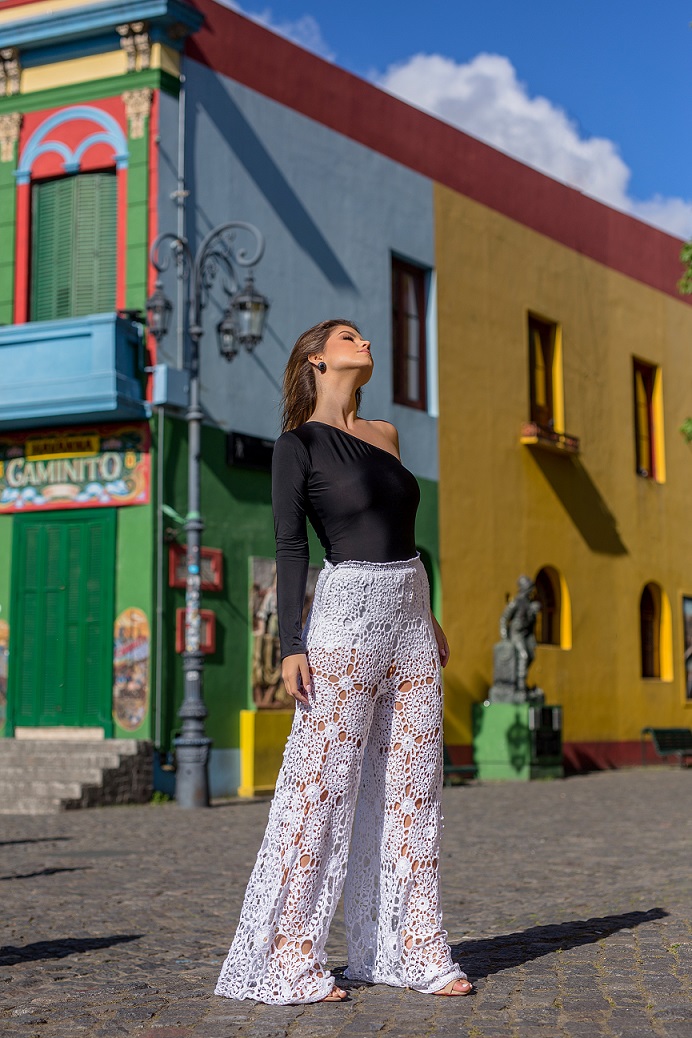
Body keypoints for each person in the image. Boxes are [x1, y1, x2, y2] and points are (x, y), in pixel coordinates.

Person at [215, 319, 472, 1004]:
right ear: (318, 360)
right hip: (345, 619)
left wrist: (428, 611)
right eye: (350, 337)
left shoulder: (386, 434)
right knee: (323, 789)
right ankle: (292, 957)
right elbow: (291, 546)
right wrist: (289, 645)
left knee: (414, 788)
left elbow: (404, 535)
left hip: (410, 616)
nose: (366, 342)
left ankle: (413, 946)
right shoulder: (296, 447)